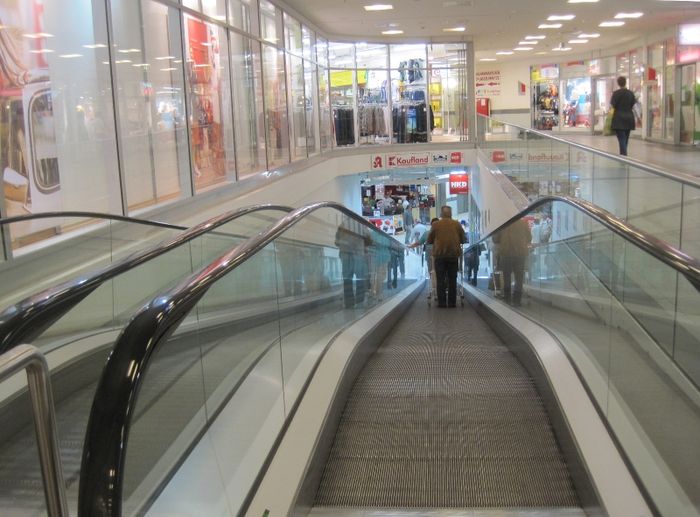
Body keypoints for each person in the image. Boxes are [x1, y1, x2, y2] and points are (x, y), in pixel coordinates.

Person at [427, 206, 466, 308]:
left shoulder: (436, 225)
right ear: (451, 213)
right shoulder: (457, 224)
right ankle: (452, 302)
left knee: (440, 280)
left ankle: (442, 303)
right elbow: (463, 239)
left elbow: (429, 240)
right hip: (453, 255)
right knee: (452, 279)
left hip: (440, 256)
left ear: (441, 214)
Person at [493, 217, 531, 306]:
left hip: (506, 254)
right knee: (519, 278)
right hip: (520, 254)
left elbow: (495, 239)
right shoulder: (523, 224)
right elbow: (529, 238)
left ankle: (507, 299)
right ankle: (517, 300)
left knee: (507, 277)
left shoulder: (502, 224)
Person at [335, 220, 370, 308]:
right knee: (360, 277)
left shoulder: (342, 225)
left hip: (345, 254)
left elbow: (336, 242)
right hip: (358, 254)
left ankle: (349, 303)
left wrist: (344, 243)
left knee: (347, 279)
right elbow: (369, 239)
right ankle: (359, 301)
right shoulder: (361, 226)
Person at [610, 76, 637, 156]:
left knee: (621, 138)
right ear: (625, 82)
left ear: (618, 83)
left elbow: (612, 106)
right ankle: (623, 154)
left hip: (619, 118)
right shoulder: (631, 93)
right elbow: (633, 105)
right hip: (629, 117)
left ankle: (624, 156)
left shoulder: (616, 93)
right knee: (626, 138)